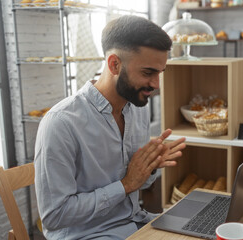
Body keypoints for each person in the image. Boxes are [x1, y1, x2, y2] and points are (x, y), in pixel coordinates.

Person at [34, 15, 186, 239]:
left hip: (135, 221)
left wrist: (150, 167)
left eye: (160, 73)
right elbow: (55, 215)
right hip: (87, 235)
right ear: (114, 64)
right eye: (148, 73)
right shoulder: (61, 123)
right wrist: (125, 185)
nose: (156, 85)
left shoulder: (137, 108)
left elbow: (140, 182)